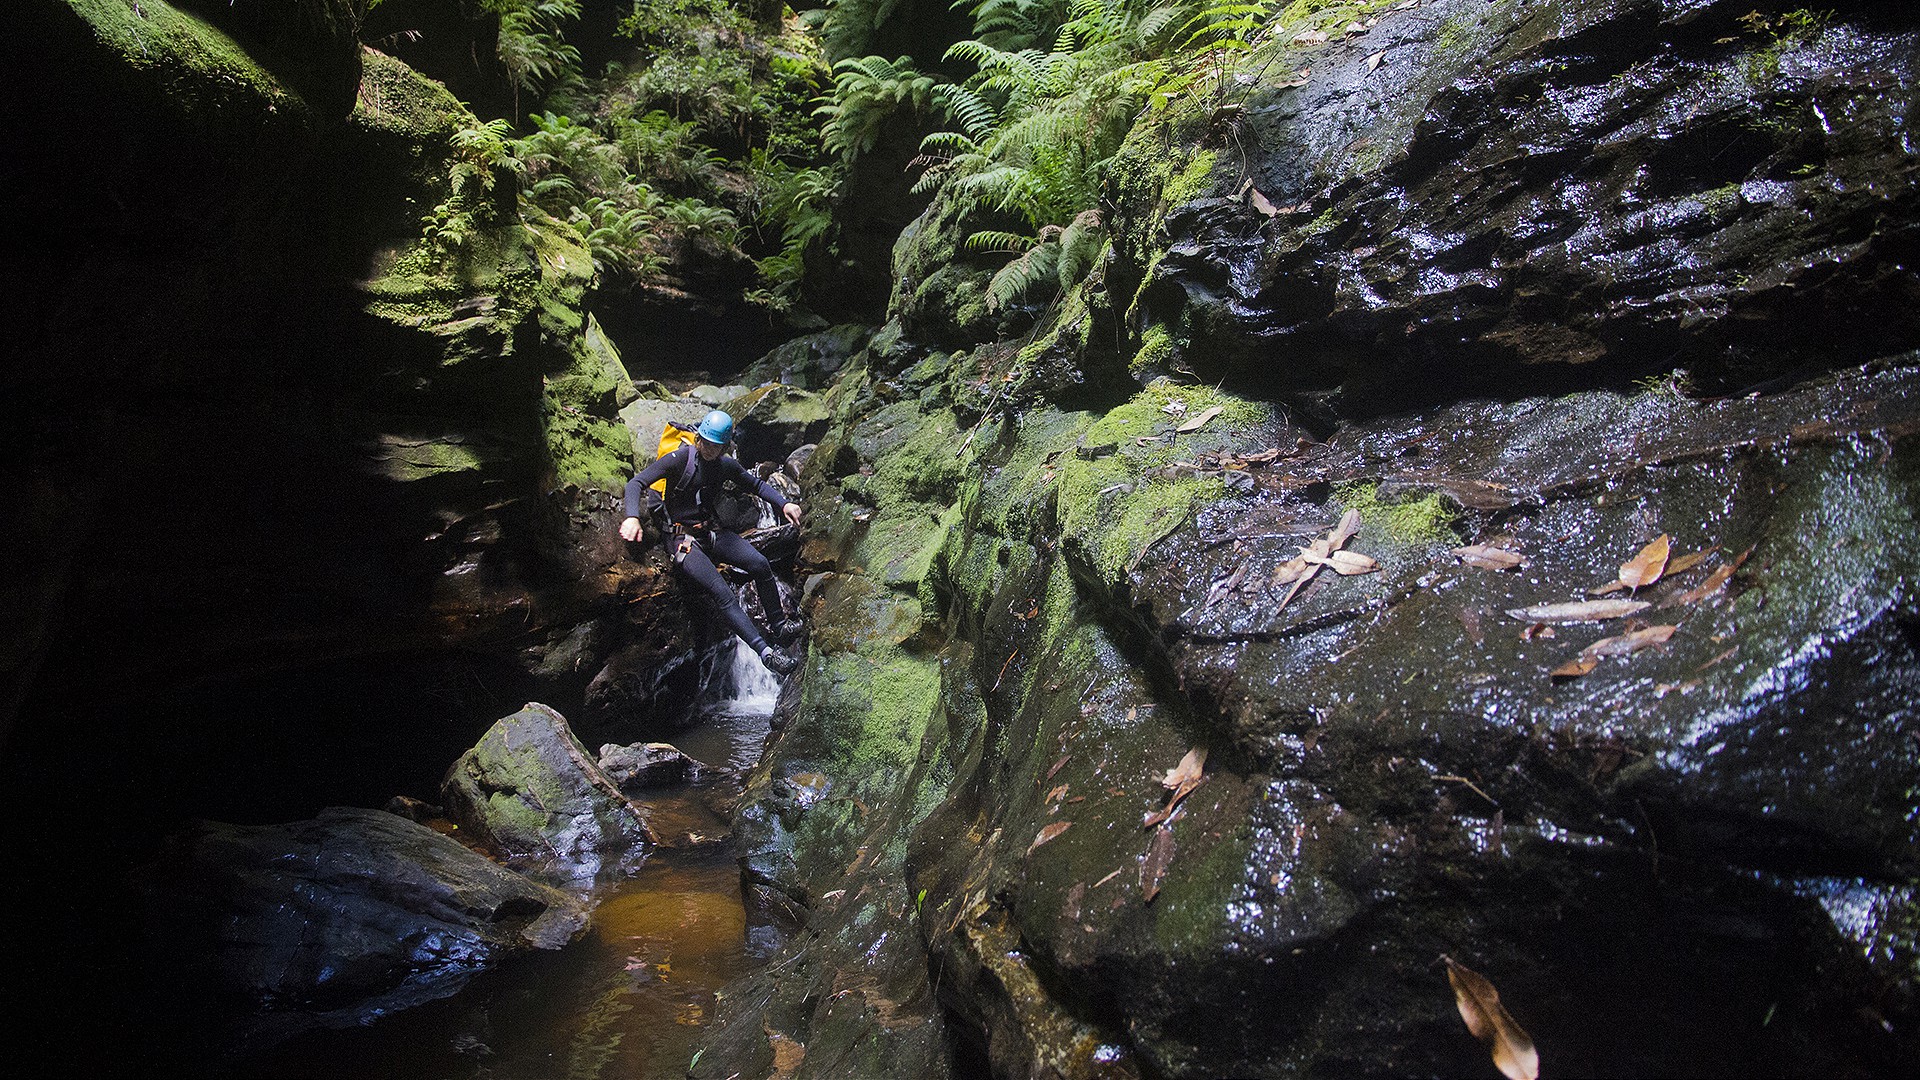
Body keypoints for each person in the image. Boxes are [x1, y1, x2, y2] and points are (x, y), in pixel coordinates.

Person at [621, 410, 805, 675]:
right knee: (722, 592)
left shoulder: (725, 465)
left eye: (715, 445)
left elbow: (755, 485)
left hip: (711, 532)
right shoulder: (679, 459)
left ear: (724, 446)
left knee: (760, 563)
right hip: (681, 539)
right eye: (705, 443)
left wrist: (784, 503)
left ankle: (780, 627)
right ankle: (766, 654)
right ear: (698, 439)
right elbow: (636, 483)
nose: (709, 449)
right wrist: (632, 517)